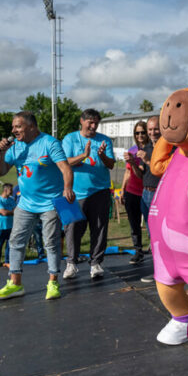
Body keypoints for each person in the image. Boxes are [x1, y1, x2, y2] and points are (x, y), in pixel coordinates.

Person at [0, 111, 75, 301]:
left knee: (51, 242)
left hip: (50, 203)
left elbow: (66, 169)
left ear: (31, 126)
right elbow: (0, 172)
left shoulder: (49, 143)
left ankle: (53, 282)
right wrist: (1, 153)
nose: (14, 130)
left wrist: (67, 189)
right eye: (13, 127)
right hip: (26, 203)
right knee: (16, 241)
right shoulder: (15, 146)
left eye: (18, 126)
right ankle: (15, 284)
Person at [62, 109, 116, 280]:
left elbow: (111, 164)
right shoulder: (70, 138)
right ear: (82, 121)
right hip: (73, 193)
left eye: (96, 123)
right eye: (90, 122)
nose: (93, 126)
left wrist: (101, 155)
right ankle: (71, 263)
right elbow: (64, 162)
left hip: (100, 191)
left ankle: (96, 263)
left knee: (99, 228)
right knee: (72, 229)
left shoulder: (104, 140)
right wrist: (84, 155)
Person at [136, 115, 170, 283]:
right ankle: (158, 270)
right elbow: (141, 174)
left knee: (164, 234)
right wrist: (134, 163)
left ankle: (168, 270)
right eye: (149, 129)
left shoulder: (169, 147)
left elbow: (168, 171)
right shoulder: (147, 147)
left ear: (162, 128)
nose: (152, 132)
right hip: (146, 193)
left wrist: (148, 160)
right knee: (153, 236)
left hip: (161, 193)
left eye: (155, 129)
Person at [122, 121, 148, 265]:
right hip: (132, 191)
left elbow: (142, 174)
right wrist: (123, 190)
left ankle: (155, 249)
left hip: (147, 192)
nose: (140, 135)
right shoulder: (132, 150)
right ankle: (138, 251)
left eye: (142, 132)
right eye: (137, 133)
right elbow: (127, 172)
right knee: (134, 224)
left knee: (151, 224)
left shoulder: (151, 150)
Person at [0, 183, 16, 267]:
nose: (12, 191)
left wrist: (6, 212)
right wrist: (10, 212)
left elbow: (15, 211)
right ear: (5, 190)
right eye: (11, 189)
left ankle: (7, 261)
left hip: (10, 226)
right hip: (0, 227)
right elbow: (4, 212)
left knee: (9, 245)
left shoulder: (12, 200)